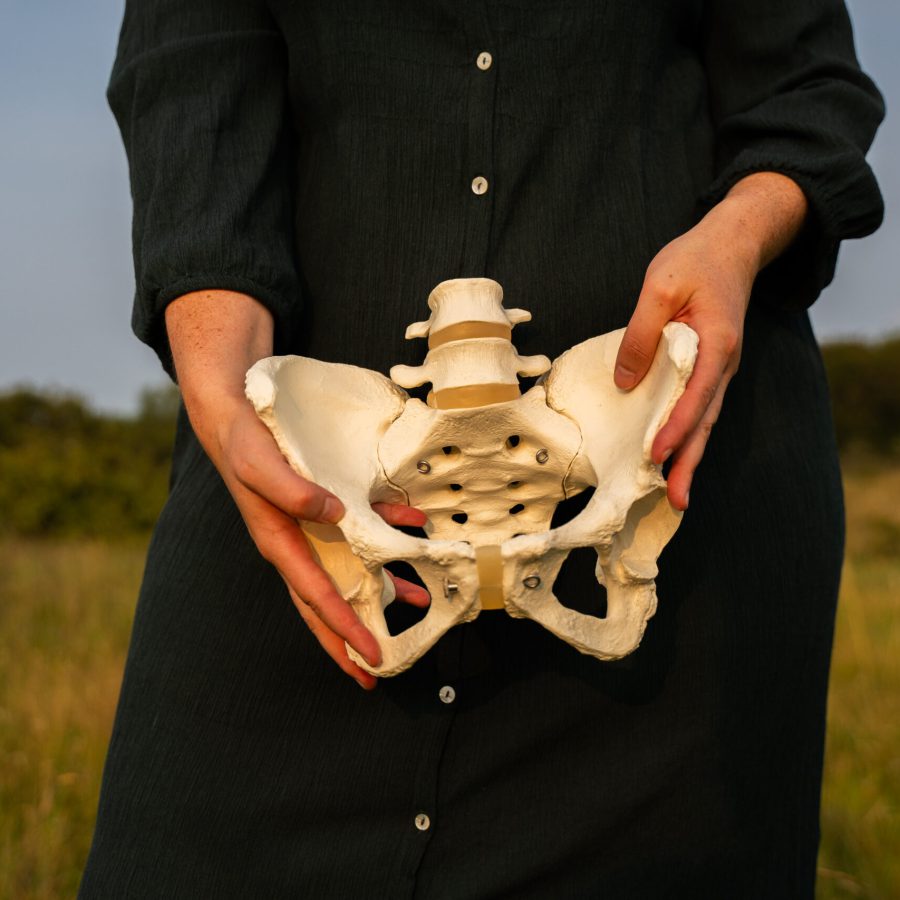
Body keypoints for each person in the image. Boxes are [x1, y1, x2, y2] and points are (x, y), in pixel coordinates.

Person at [80, 1, 884, 897]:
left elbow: (805, 89)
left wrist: (738, 236)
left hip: (678, 514)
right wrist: (220, 374)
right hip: (301, 512)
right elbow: (195, 93)